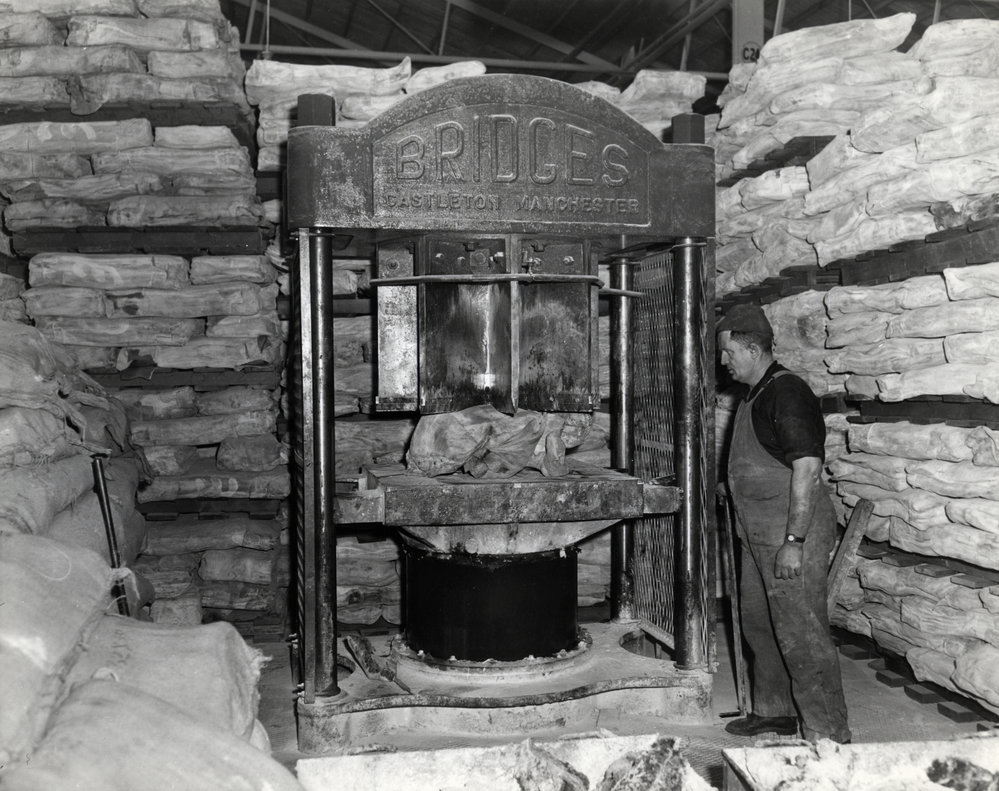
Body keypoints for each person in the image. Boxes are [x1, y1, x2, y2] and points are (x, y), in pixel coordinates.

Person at [717, 301, 850, 744]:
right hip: (757, 534)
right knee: (759, 621)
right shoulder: (754, 393)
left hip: (790, 534)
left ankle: (829, 733)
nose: (724, 361)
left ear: (752, 350)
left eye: (728, 353)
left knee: (801, 633)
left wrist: (794, 540)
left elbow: (807, 469)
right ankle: (775, 711)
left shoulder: (786, 392)